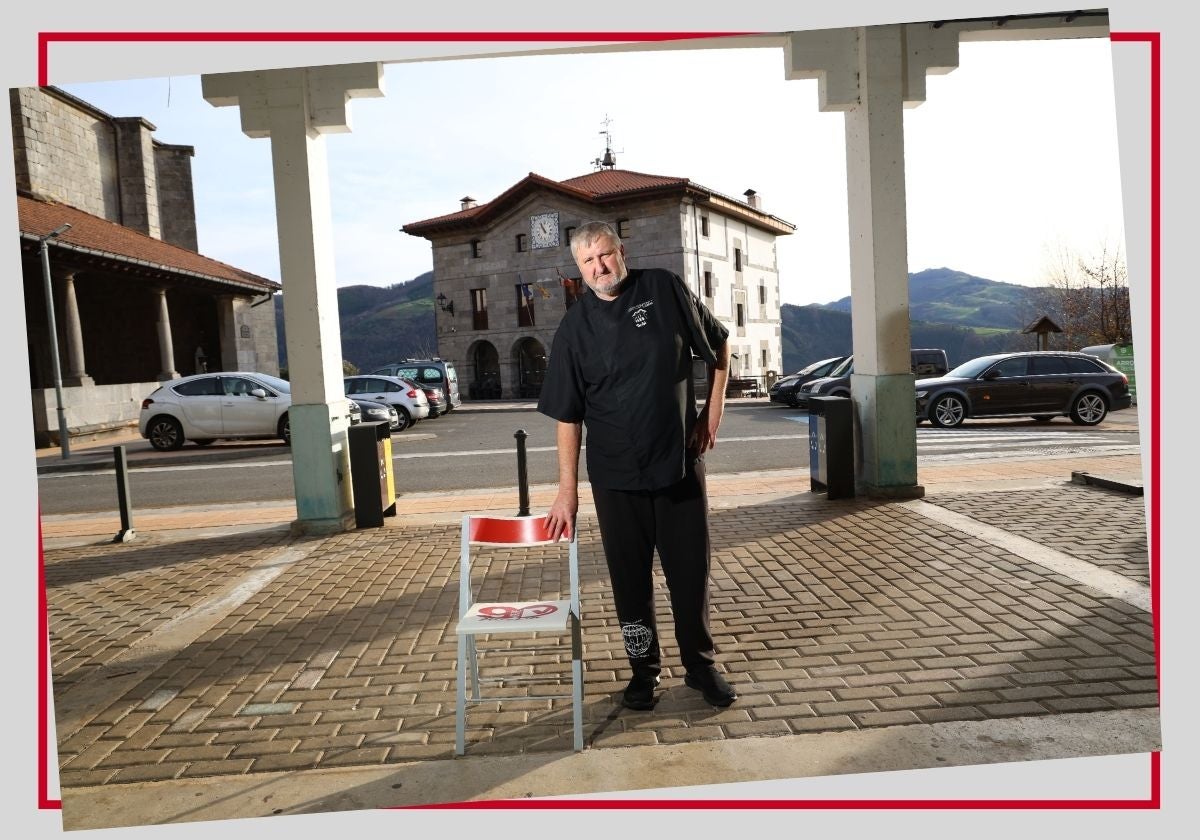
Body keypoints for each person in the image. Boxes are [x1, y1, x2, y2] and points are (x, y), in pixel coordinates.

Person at [537, 220, 737, 710]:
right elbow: (567, 417)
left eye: (605, 254)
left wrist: (711, 416)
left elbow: (719, 345)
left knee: (689, 576)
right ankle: (643, 671)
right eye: (588, 261)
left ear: (621, 250)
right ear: (578, 269)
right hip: (615, 479)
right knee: (629, 584)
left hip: (677, 467)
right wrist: (567, 491)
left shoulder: (664, 288)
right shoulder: (573, 330)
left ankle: (701, 665)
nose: (599, 267)